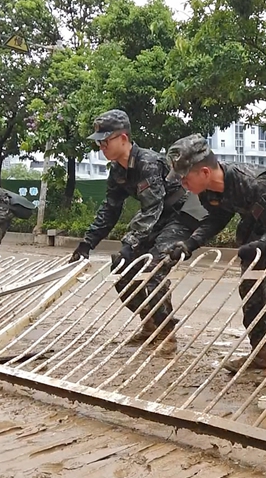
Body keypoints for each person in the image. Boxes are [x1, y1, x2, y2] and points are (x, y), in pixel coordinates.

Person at [68, 110, 205, 355]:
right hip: (157, 219)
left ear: (123, 138)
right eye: (99, 142)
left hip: (180, 217)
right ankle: (150, 322)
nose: (101, 146)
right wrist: (88, 243)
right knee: (121, 267)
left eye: (105, 140)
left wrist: (131, 241)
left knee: (152, 267)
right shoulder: (118, 172)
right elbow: (110, 209)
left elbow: (153, 205)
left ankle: (166, 333)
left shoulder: (147, 162)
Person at [165, 134, 266, 383]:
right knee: (250, 292)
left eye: (185, 178)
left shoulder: (253, 184)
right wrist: (190, 243)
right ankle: (260, 354)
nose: (183, 184)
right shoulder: (208, 190)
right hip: (258, 228)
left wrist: (261, 245)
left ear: (204, 171)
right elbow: (216, 218)